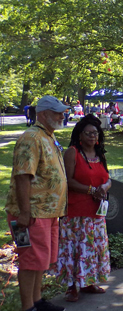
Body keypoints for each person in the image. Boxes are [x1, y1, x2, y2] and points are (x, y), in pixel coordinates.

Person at [5, 95, 68, 311]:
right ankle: (27, 307)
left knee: (42, 261)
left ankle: (37, 301)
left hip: (48, 213)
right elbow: (23, 176)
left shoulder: (47, 136)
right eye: (58, 112)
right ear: (43, 114)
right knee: (30, 261)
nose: (63, 115)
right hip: (30, 215)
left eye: (62, 111)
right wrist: (24, 212)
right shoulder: (31, 137)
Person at [53, 114, 111, 303]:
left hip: (96, 213)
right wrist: (91, 190)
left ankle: (88, 282)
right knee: (75, 250)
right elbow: (67, 181)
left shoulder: (100, 153)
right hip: (77, 213)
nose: (92, 137)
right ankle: (72, 287)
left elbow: (108, 178)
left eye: (95, 133)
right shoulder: (72, 153)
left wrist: (104, 187)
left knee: (93, 248)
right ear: (80, 135)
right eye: (88, 133)